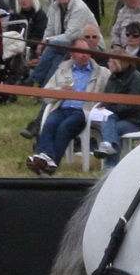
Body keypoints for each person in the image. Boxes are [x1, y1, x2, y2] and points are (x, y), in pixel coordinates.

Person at [26, 35, 107, 174]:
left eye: (87, 51)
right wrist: (60, 90)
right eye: (80, 52)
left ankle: (49, 163)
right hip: (62, 108)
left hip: (83, 111)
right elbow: (46, 94)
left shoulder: (101, 73)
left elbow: (109, 92)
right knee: (49, 124)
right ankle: (45, 159)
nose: (85, 55)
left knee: (64, 127)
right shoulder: (63, 70)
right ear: (72, 54)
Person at [30, 0, 97, 85]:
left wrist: (46, 41)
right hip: (64, 46)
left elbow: (70, 36)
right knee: (57, 58)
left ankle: (34, 80)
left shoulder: (80, 8)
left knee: (56, 46)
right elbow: (50, 29)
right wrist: (44, 42)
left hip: (88, 45)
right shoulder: (54, 6)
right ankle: (44, 89)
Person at [97, 47, 140, 168]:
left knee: (112, 127)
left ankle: (110, 163)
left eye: (111, 61)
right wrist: (104, 106)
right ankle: (108, 149)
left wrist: (108, 108)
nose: (108, 63)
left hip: (136, 120)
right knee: (108, 121)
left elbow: (133, 106)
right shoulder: (113, 77)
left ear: (119, 62)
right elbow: (108, 97)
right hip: (118, 116)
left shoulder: (138, 80)